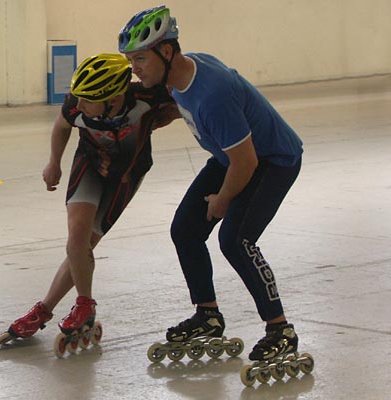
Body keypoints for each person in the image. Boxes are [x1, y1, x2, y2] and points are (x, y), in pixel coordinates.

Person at [118, 6, 304, 362]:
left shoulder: (212, 95)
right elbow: (189, 107)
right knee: (185, 229)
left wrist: (222, 199)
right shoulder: (183, 74)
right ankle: (208, 315)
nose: (135, 68)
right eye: (131, 59)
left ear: (166, 51)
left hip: (272, 160)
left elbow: (246, 161)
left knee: (235, 240)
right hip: (231, 156)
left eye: (140, 58)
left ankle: (280, 329)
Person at [0, 53, 179, 350]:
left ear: (114, 97)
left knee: (85, 244)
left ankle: (46, 307)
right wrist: (54, 162)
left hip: (125, 176)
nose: (79, 105)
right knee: (76, 239)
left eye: (88, 100)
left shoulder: (147, 97)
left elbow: (191, 102)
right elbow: (62, 126)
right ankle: (82, 304)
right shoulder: (75, 103)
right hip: (90, 165)